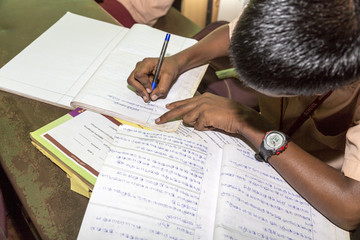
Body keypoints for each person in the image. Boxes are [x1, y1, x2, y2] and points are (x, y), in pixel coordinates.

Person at [127, 0, 360, 232]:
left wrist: (248, 123)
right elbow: (233, 33)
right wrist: (179, 60)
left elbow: (350, 209)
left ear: (315, 90)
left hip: (314, 179)